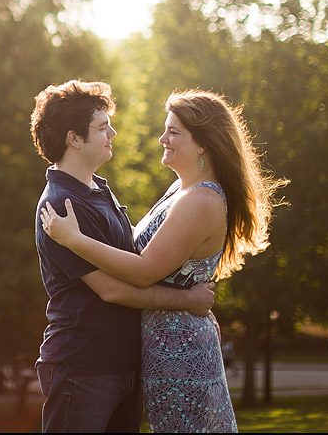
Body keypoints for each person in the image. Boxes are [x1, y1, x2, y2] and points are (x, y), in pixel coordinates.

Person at [42, 89, 285, 433]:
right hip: (156, 349)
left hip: (180, 350)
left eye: (173, 132)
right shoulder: (181, 190)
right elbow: (134, 248)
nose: (162, 139)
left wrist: (75, 239)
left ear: (202, 143)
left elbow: (142, 271)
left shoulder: (200, 200)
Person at [31, 80, 217, 433]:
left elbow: (134, 260)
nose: (112, 133)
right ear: (74, 138)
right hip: (83, 367)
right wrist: (188, 300)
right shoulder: (61, 206)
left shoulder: (99, 189)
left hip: (122, 366)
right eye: (102, 127)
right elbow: (113, 290)